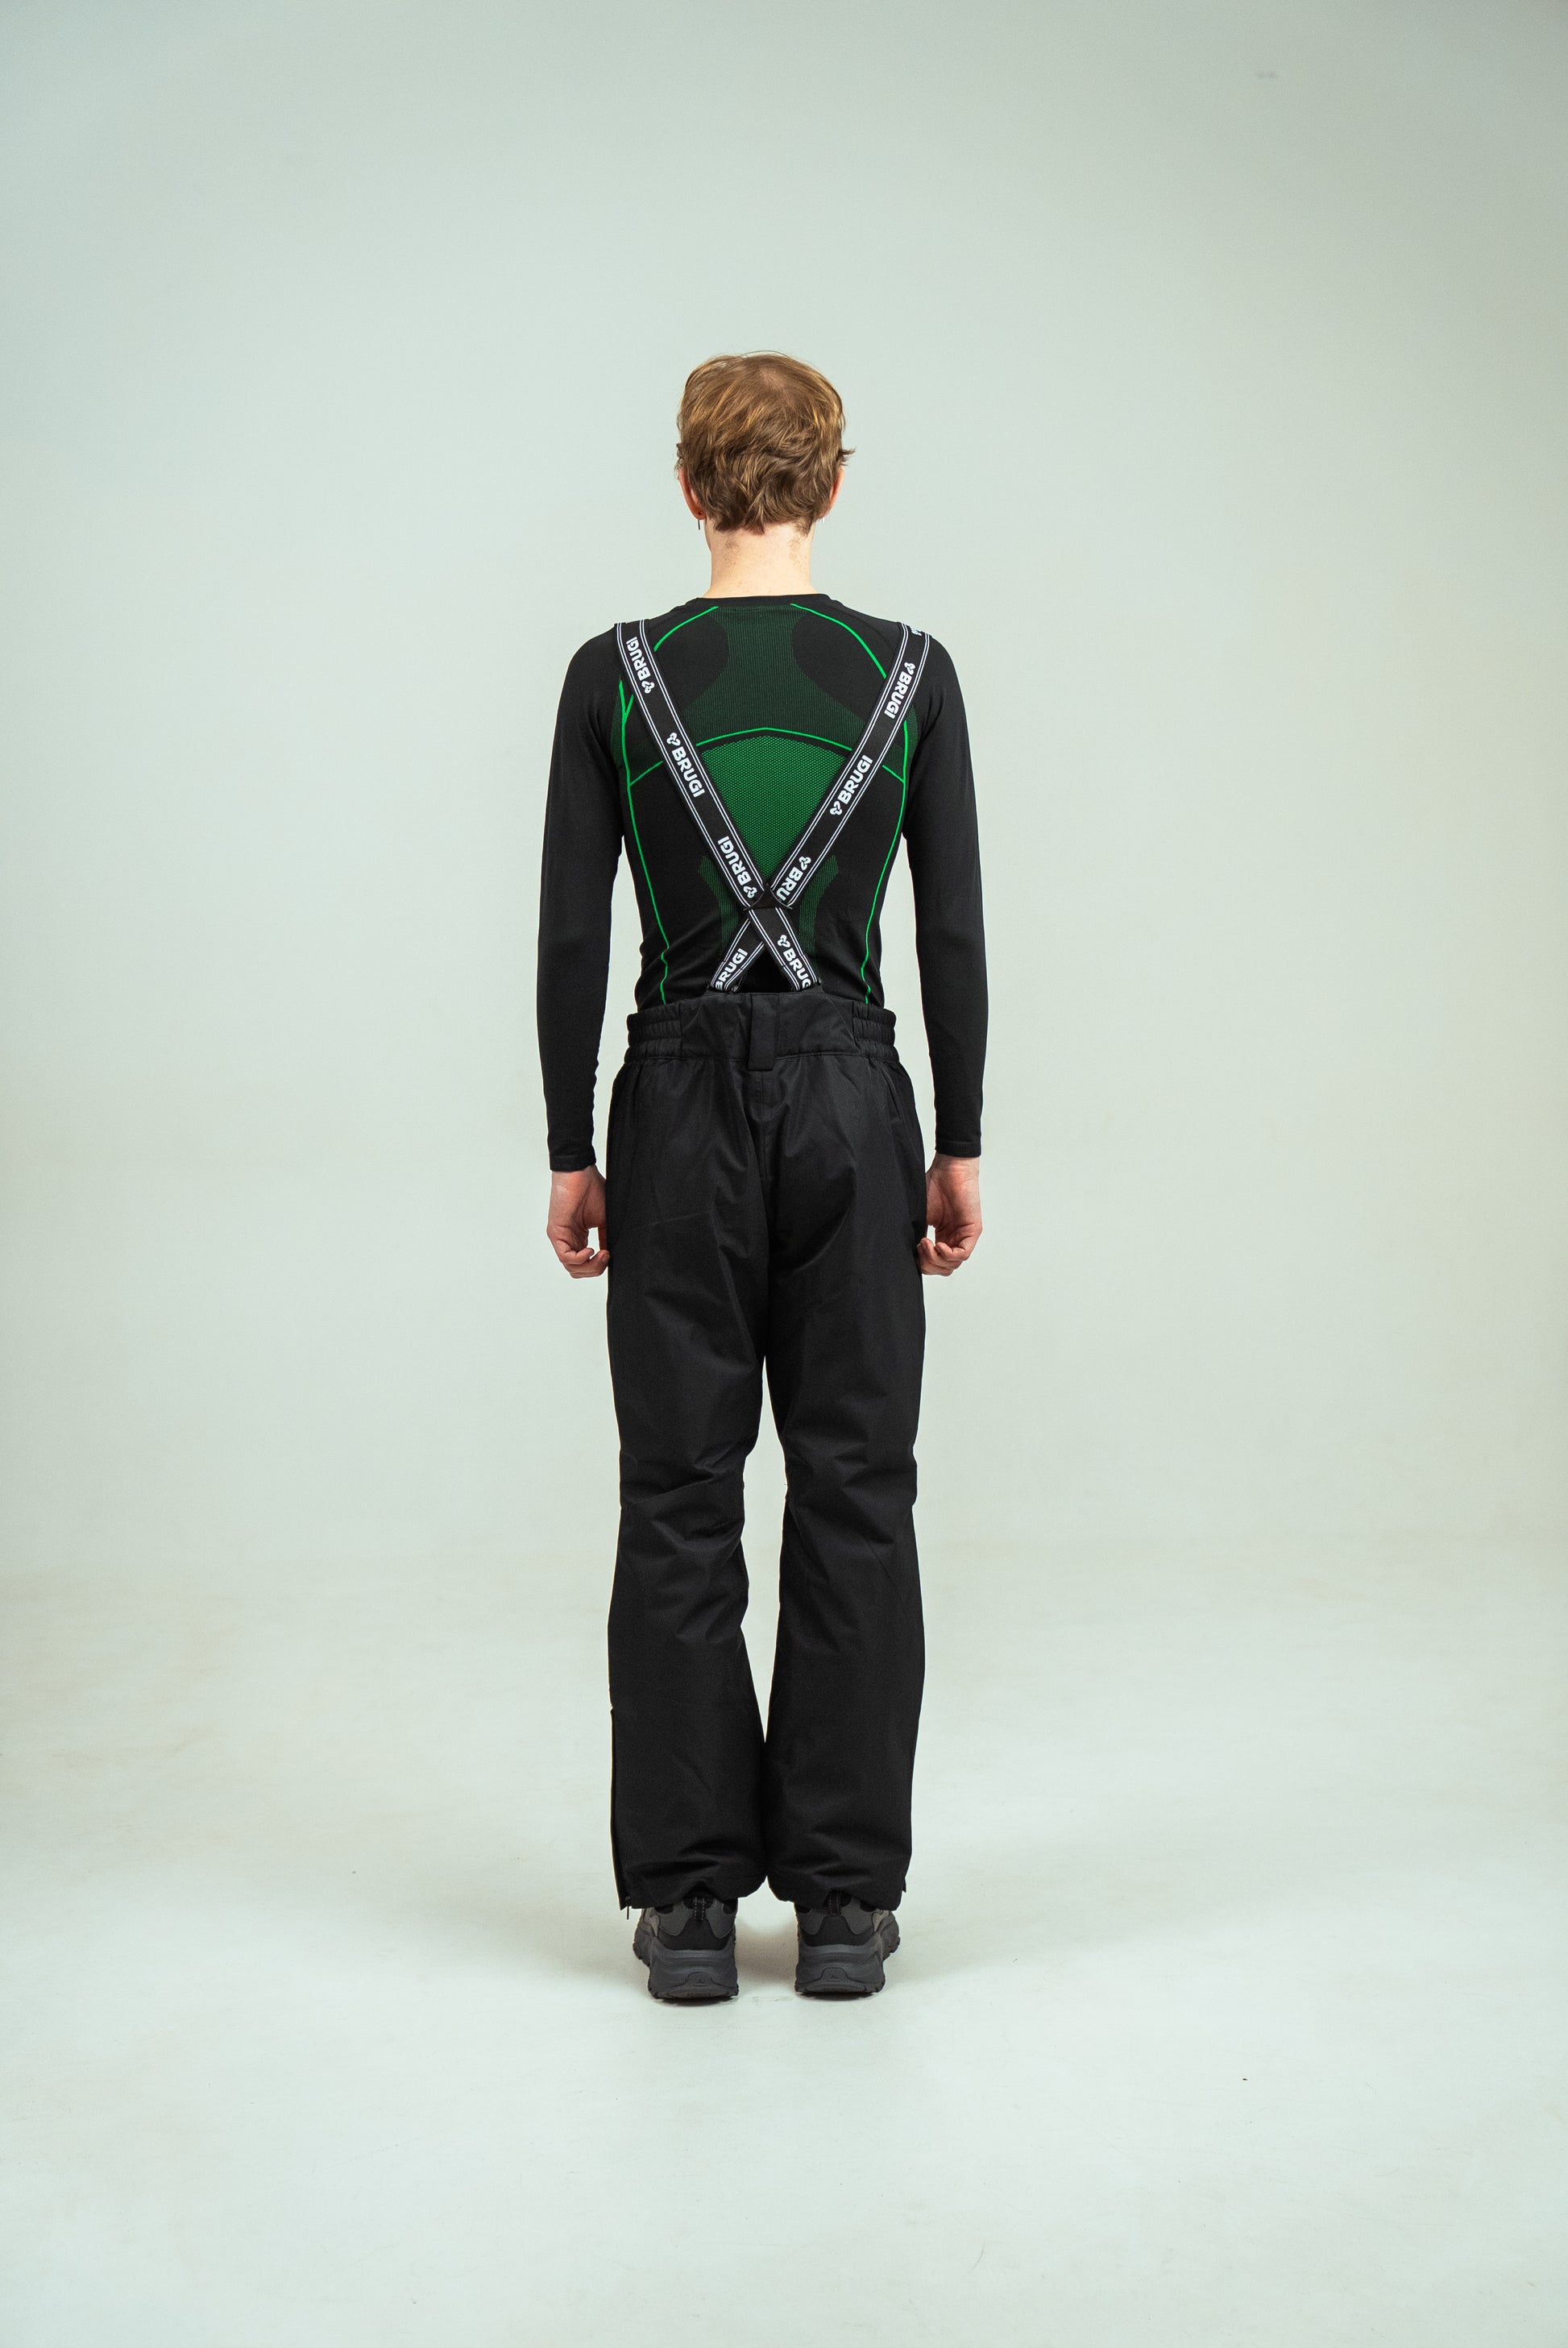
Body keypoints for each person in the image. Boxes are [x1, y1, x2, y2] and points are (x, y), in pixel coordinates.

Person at [536, 352, 986, 2002]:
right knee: (858, 1488)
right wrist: (957, 1139)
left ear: (686, 486)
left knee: (677, 1493)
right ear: (835, 484)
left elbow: (571, 932)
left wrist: (570, 1145)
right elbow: (951, 933)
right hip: (857, 1102)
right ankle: (847, 1905)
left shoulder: (613, 676)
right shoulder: (912, 675)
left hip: (670, 1107)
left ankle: (688, 1909)